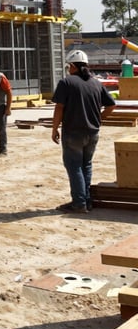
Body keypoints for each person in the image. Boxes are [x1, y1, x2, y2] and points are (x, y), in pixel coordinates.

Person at [51, 49, 115, 213]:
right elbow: (111, 105)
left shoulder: (66, 83)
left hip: (73, 133)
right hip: (93, 133)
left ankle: (79, 203)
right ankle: (86, 201)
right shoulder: (96, 83)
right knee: (86, 165)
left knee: (74, 166)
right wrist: (99, 119)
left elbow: (59, 108)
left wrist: (55, 128)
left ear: (73, 66)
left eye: (68, 66)